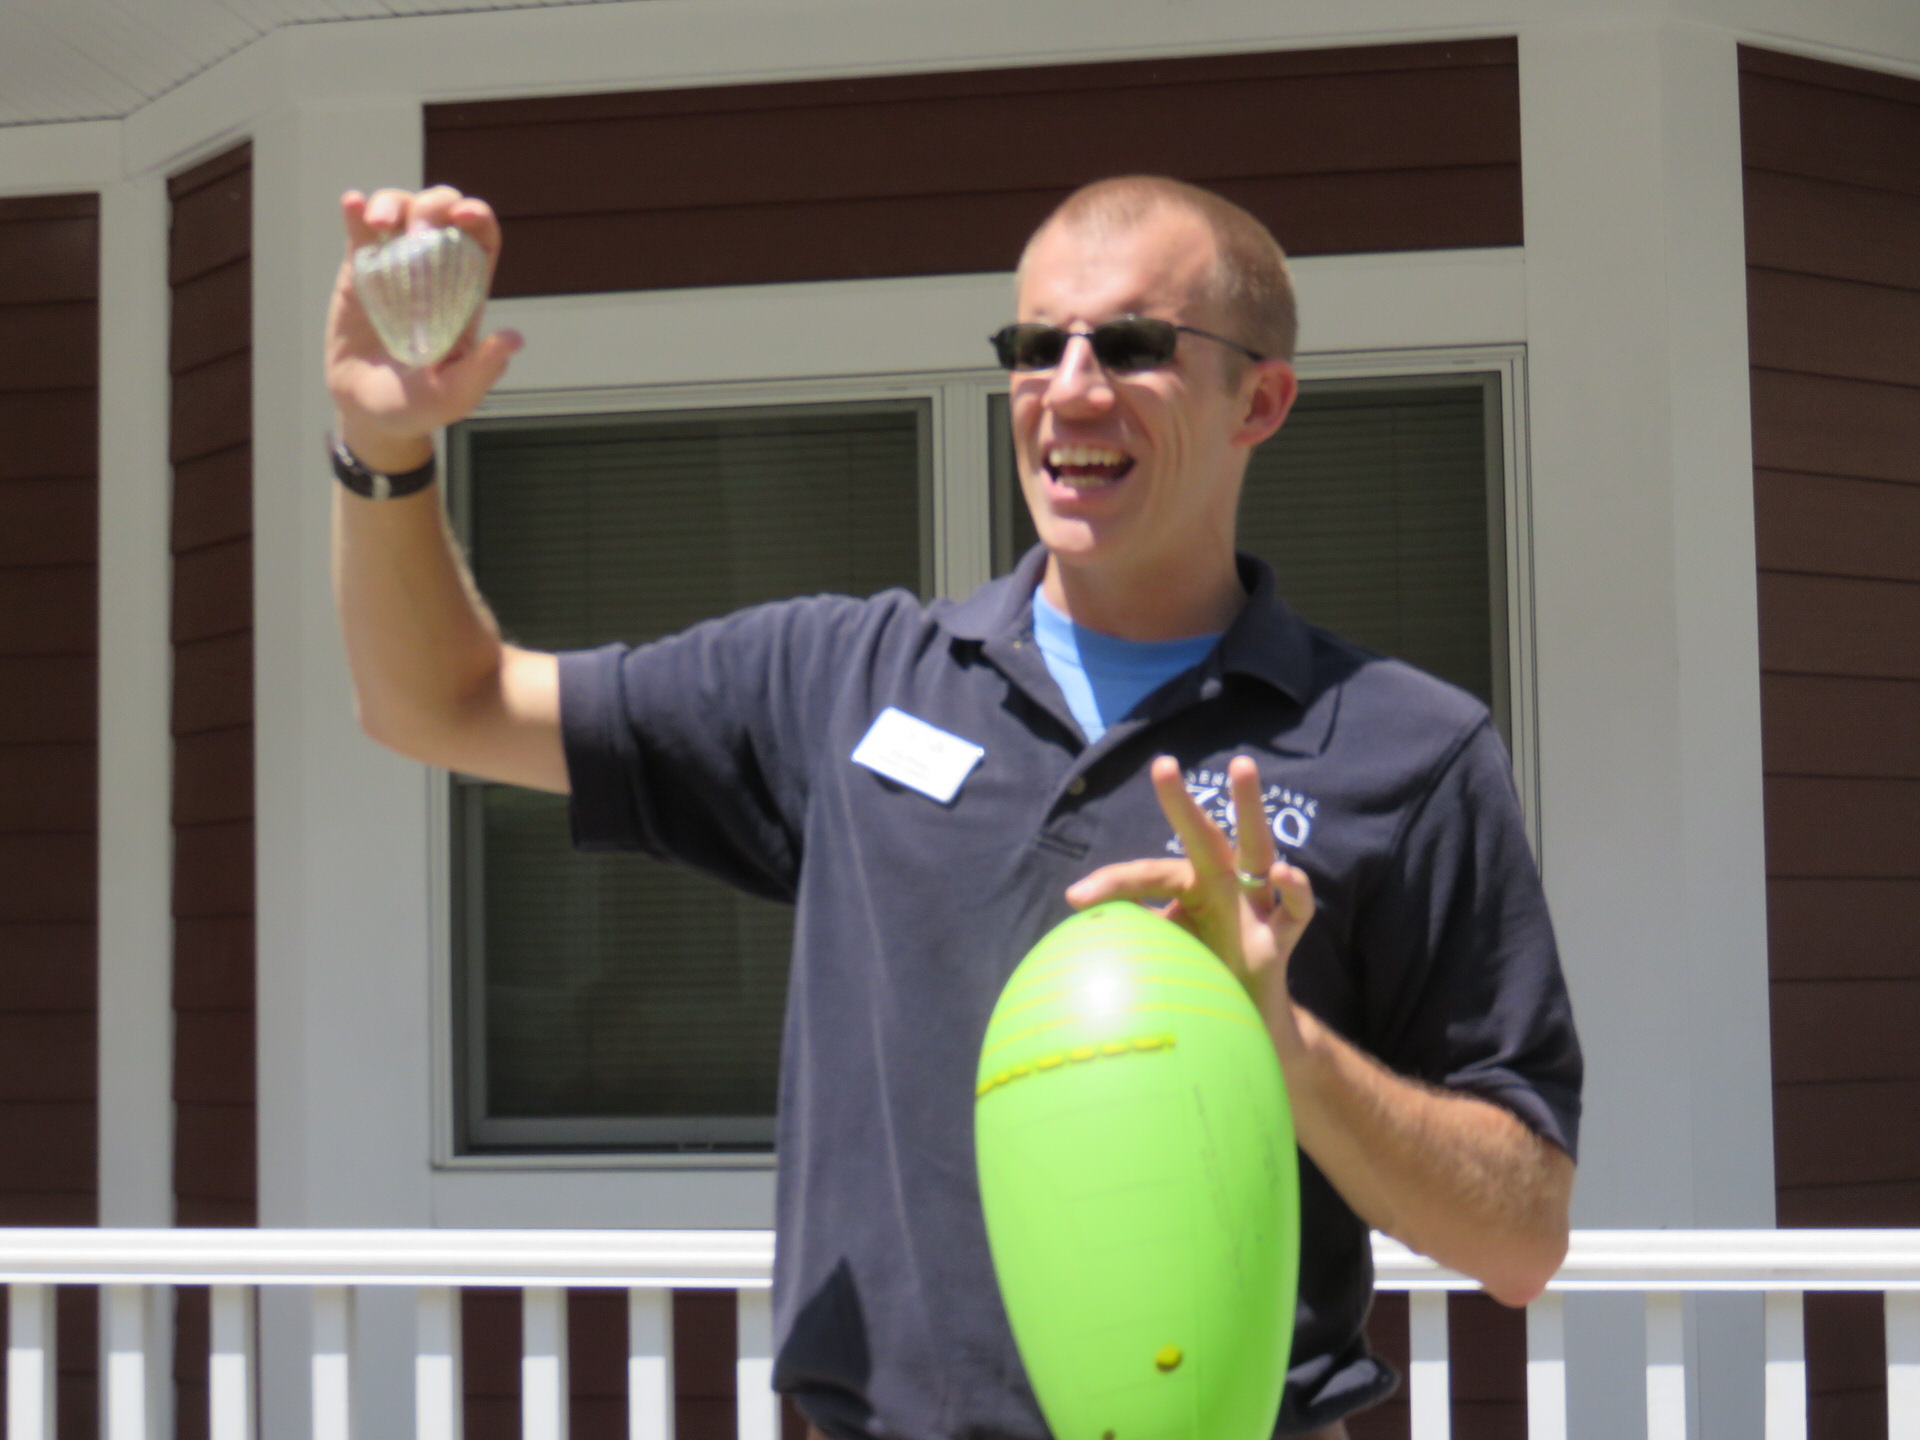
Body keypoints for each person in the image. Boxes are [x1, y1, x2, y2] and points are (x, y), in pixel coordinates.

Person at [326, 174, 1581, 1440]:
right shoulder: (844, 682)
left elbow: (1522, 1236)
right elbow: (439, 703)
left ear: (1259, 397)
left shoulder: (1405, 749)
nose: (1071, 386)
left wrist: (1281, 1038)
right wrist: (384, 455)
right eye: (1037, 347)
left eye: (1135, 346)